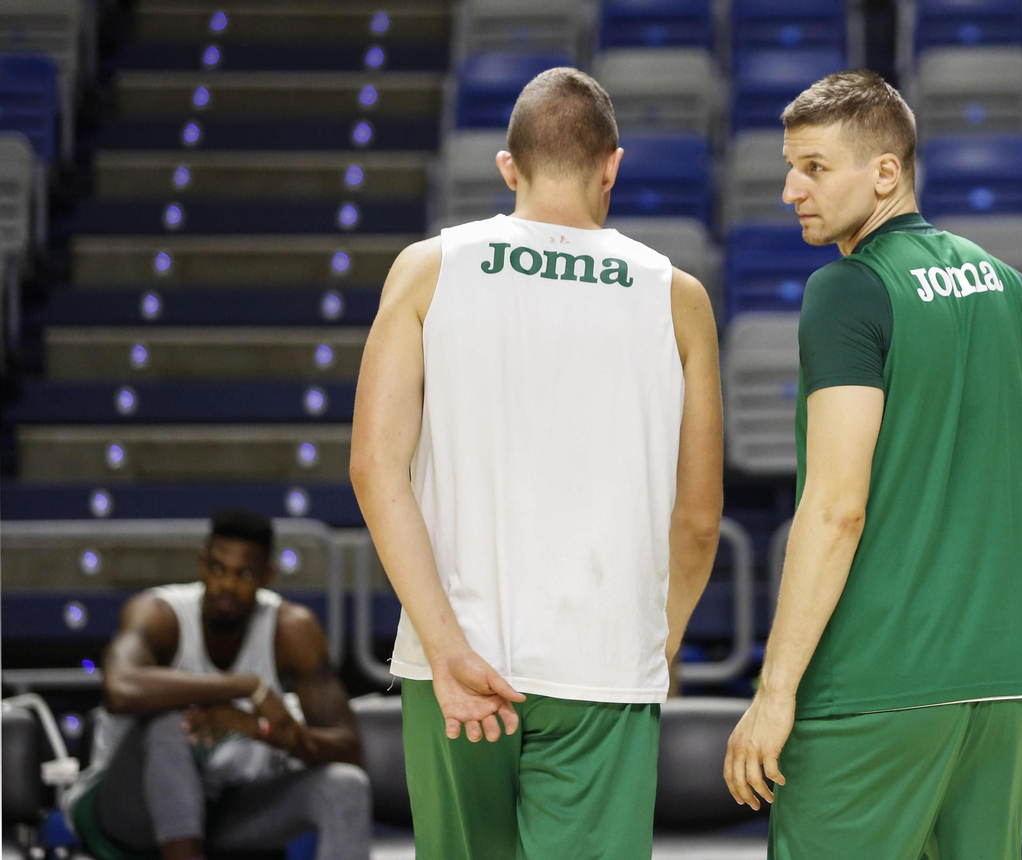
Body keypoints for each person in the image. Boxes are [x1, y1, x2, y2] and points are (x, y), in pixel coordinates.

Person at [723, 70, 1022, 859]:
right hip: (1001, 684)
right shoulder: (1000, 283)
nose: (792, 187)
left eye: (816, 167)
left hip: (875, 680)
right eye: (791, 166)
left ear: (886, 172)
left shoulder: (848, 292)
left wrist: (775, 689)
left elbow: (836, 508)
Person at [350, 66, 723, 860]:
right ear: (612, 167)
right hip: (603, 665)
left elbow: (374, 473)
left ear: (508, 167)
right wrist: (658, 642)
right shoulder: (677, 296)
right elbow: (697, 519)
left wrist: (447, 649)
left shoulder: (426, 268)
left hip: (455, 661)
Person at [61, 509, 369, 860]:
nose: (227, 585)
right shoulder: (160, 614)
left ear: (268, 576)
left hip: (223, 805)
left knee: (345, 786)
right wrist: (246, 687)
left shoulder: (291, 629)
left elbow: (350, 751)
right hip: (125, 810)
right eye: (219, 569)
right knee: (170, 724)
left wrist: (262, 728)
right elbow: (119, 690)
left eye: (245, 574)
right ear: (202, 564)